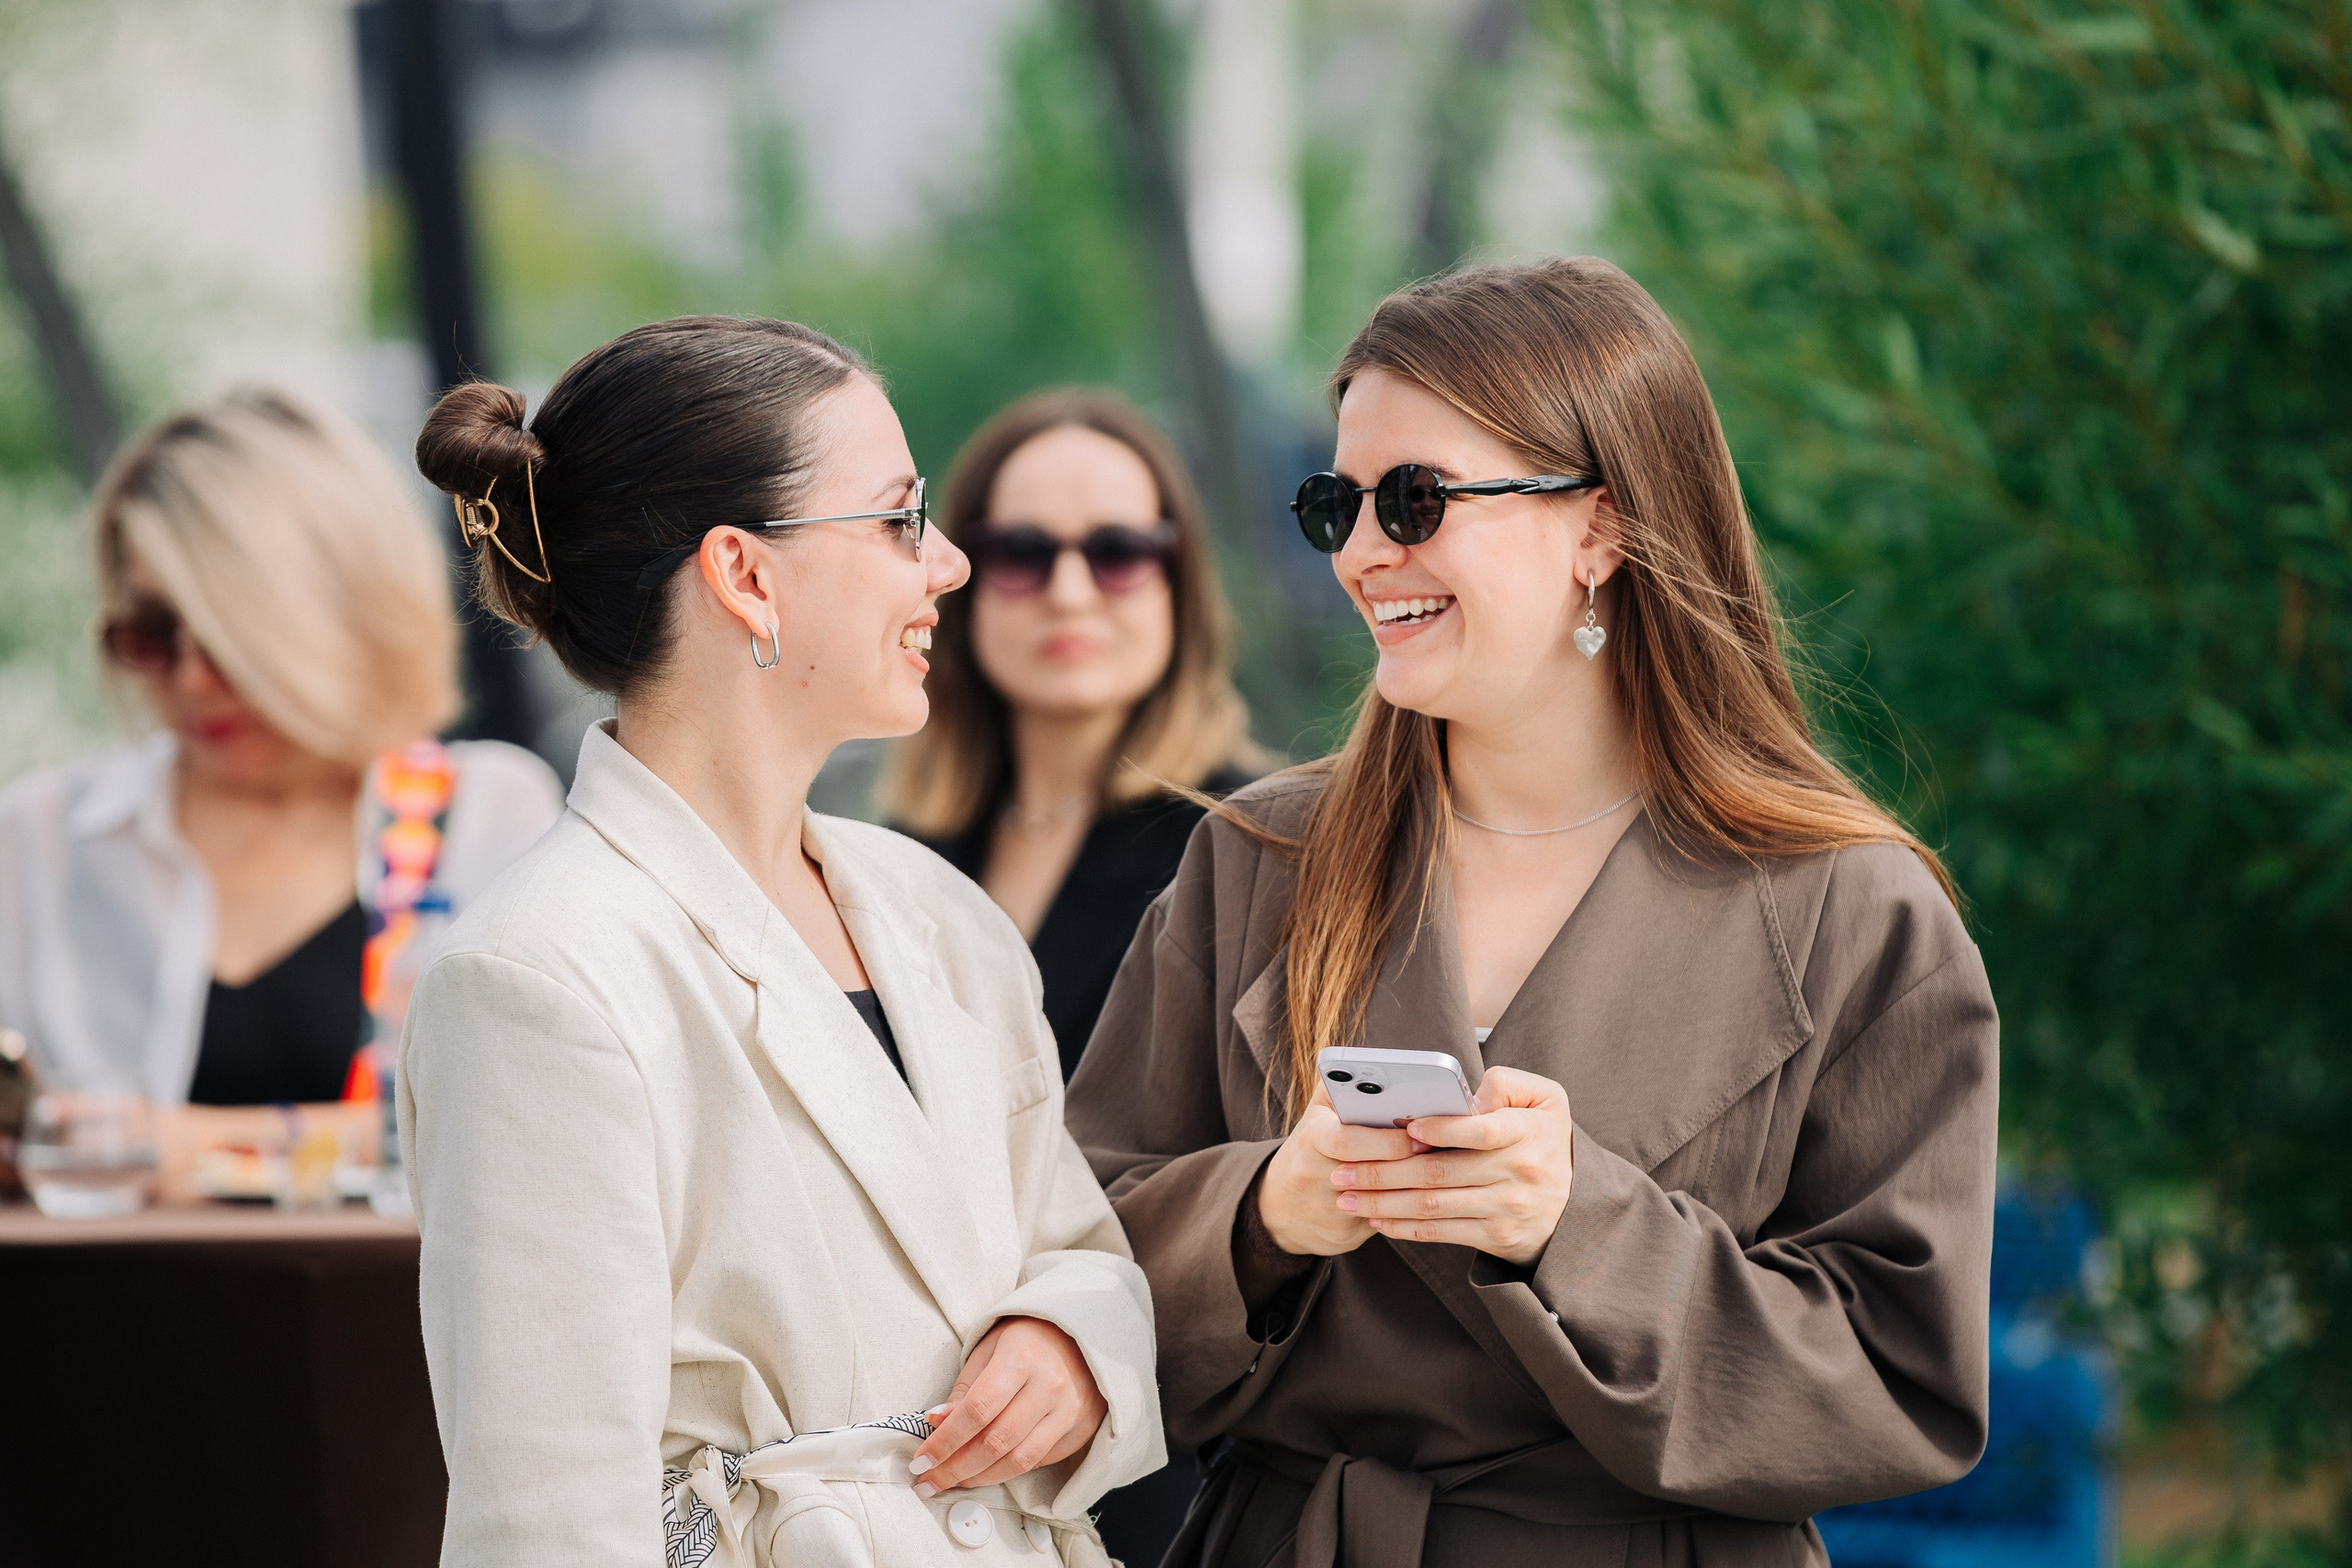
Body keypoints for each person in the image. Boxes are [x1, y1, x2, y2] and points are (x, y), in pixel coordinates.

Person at [1067, 259, 2000, 1568]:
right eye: (1337, 503)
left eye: (1417, 499)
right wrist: (1269, 1209)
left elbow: (1901, 1381)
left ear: (1601, 529)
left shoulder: (1850, 908)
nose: (1363, 551)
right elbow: (1066, 1250)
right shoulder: (1260, 858)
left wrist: (1578, 1223)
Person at [401, 317, 1163, 1568]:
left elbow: (1079, 1247)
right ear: (745, 575)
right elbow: (546, 1520)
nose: (952, 563)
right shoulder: (537, 978)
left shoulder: (940, 914)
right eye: (899, 518)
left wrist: (1072, 1340)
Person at [0, 389, 560, 1176]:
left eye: (233, 638)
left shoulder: (484, 813)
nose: (193, 680)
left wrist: (183, 1146)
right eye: (150, 634)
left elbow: (518, 1122)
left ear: (347, 614)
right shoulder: (36, 835)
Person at [883, 389, 1259, 1083]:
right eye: (1022, 552)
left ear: (1179, 585)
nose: (1070, 592)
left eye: (1118, 551)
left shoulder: (1256, 847)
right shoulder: (891, 858)